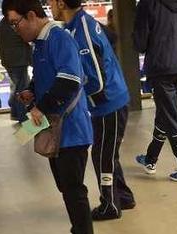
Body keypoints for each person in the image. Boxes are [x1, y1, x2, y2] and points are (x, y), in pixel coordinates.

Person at [5, 0, 98, 234]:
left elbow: (69, 80)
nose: (15, 30)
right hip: (54, 128)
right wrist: (32, 92)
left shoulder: (59, 39)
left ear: (31, 15)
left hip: (72, 131)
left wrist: (41, 107)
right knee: (65, 187)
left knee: (74, 189)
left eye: (15, 23)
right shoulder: (40, 44)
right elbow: (45, 77)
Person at [51, 0, 136, 221]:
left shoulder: (81, 30)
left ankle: (110, 205)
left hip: (109, 103)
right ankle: (123, 197)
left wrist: (82, 96)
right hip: (107, 103)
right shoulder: (78, 25)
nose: (48, 6)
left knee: (102, 155)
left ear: (61, 3)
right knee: (106, 152)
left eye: (50, 1)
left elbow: (97, 80)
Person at [132, 0, 177, 183]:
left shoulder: (147, 4)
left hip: (160, 66)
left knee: (170, 118)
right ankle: (150, 159)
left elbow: (140, 43)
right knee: (166, 114)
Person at [0, 16, 33, 122]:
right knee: (22, 89)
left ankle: (15, 113)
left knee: (17, 86)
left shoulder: (3, 22)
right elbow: (25, 36)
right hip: (18, 60)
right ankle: (23, 117)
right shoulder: (13, 21)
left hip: (10, 60)